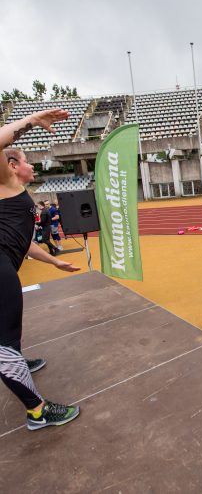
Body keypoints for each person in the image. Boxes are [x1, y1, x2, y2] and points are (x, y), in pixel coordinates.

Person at [0, 109, 81, 430]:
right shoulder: (4, 183)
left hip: (5, 261)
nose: (32, 165)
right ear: (11, 167)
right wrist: (31, 120)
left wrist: (55, 260)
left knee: (8, 333)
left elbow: (21, 241)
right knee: (3, 343)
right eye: (26, 160)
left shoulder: (14, 192)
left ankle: (14, 360)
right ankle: (37, 412)